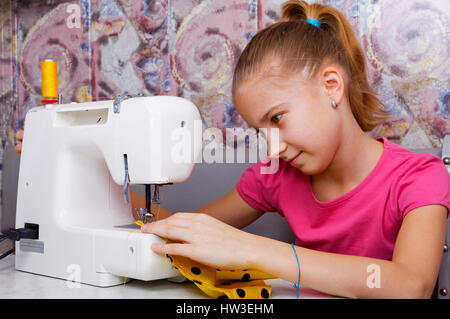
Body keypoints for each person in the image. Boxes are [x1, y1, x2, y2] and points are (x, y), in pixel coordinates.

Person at [15, 1, 449, 299]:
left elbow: (409, 285)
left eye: (277, 118)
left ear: (331, 86)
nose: (272, 145)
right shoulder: (275, 177)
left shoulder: (419, 178)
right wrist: (72, 166)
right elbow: (182, 229)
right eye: (261, 130)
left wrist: (252, 250)